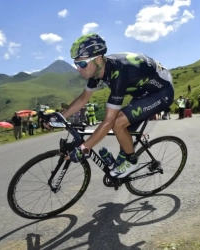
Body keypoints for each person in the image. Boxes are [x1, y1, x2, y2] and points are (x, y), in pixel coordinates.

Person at [60, 33, 174, 178]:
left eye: (82, 63)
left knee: (118, 123)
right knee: (123, 130)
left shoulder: (118, 73)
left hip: (161, 92)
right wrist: (60, 117)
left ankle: (132, 162)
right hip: (142, 92)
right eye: (76, 63)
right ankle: (122, 159)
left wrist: (84, 148)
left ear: (99, 59)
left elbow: (108, 121)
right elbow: (83, 99)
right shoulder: (98, 71)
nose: (78, 68)